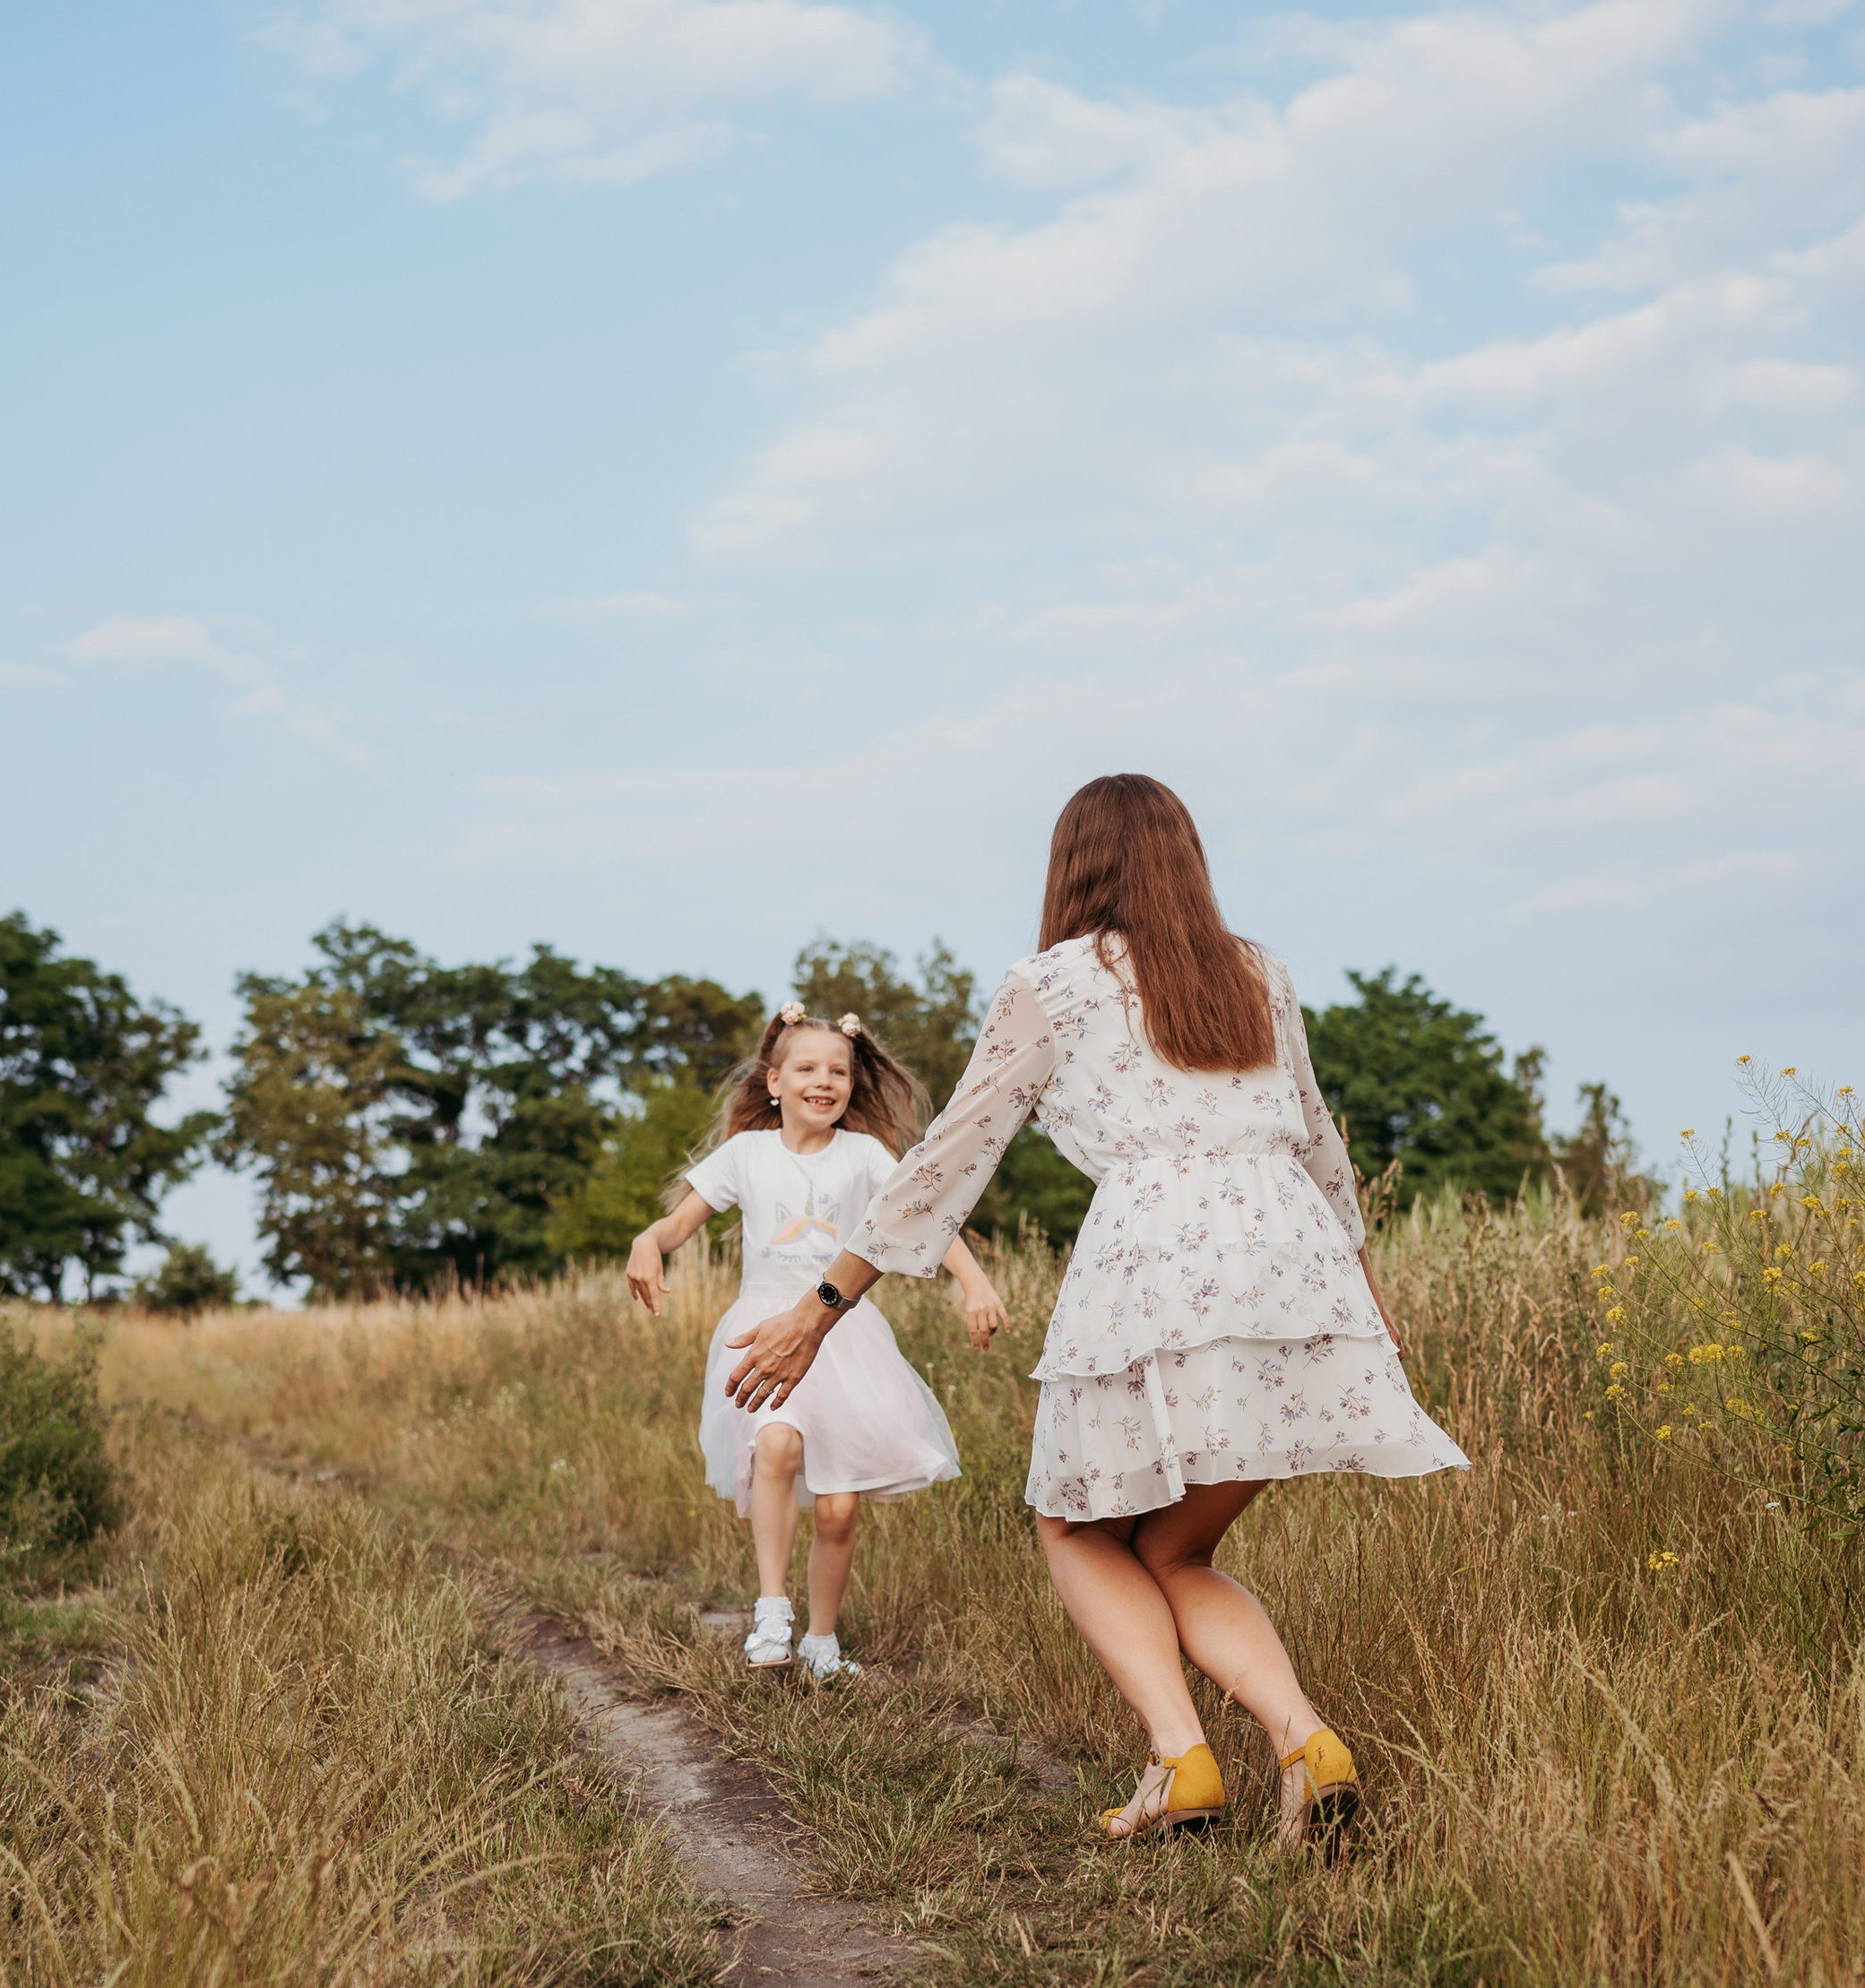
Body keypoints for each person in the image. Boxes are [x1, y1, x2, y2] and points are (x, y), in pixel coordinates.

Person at [721, 777, 1466, 1838]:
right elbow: (1317, 1143)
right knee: (1172, 1552)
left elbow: (948, 1160)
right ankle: (1306, 1741)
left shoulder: (1052, 982)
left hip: (1154, 1262)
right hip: (1294, 1263)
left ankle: (1182, 1761)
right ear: (1185, 858)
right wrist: (1368, 1306)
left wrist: (820, 1307)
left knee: (1073, 1525)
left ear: (1074, 866)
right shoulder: (1258, 972)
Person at [628, 1003, 1009, 1681]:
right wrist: (645, 1244)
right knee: (775, 1442)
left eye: (839, 1070)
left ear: (852, 1084)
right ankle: (772, 1610)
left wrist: (974, 1284)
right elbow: (675, 1225)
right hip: (765, 1330)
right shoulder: (745, 1153)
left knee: (837, 1510)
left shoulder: (863, 1155)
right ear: (774, 1081)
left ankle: (822, 1644)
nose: (824, 1081)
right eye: (806, 1068)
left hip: (846, 1336)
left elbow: (923, 1217)